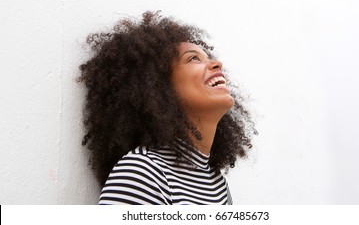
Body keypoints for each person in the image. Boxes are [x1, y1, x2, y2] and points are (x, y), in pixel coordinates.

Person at [78, 11, 256, 205]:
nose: (216, 64)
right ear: (157, 86)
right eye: (193, 58)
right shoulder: (141, 173)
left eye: (208, 57)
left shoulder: (216, 182)